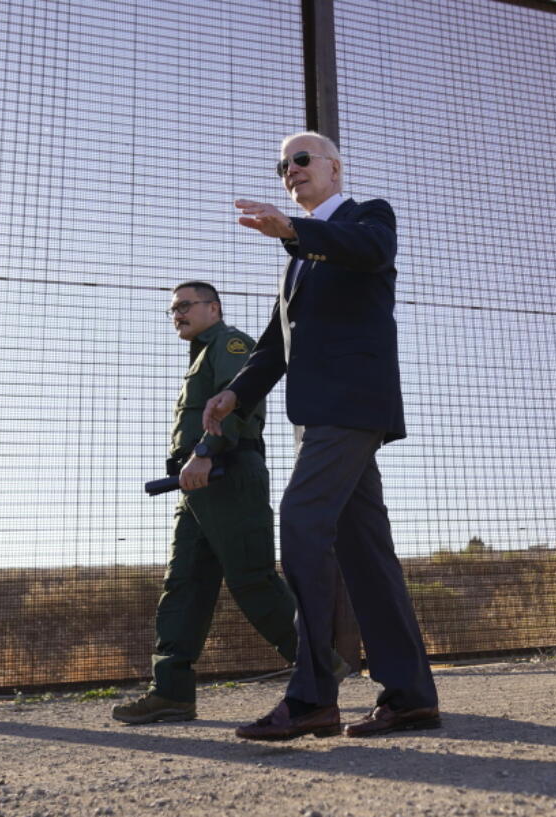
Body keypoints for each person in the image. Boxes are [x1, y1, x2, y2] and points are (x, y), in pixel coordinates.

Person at [203, 131, 440, 740]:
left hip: (352, 408)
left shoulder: (366, 219)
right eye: (283, 165)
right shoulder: (298, 264)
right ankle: (411, 695)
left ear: (334, 167)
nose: (291, 170)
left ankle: (312, 696)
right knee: (366, 551)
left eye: (301, 159)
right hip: (320, 416)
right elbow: (275, 344)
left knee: (302, 522)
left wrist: (292, 231)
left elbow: (368, 250)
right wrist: (235, 394)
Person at [112, 282, 300, 724]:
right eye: (172, 310)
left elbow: (238, 401)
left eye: (184, 305)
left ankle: (319, 664)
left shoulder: (231, 343)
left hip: (226, 470)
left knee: (252, 579)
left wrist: (205, 453)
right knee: (184, 584)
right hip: (197, 482)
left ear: (212, 308)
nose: (176, 314)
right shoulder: (199, 353)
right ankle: (171, 692)